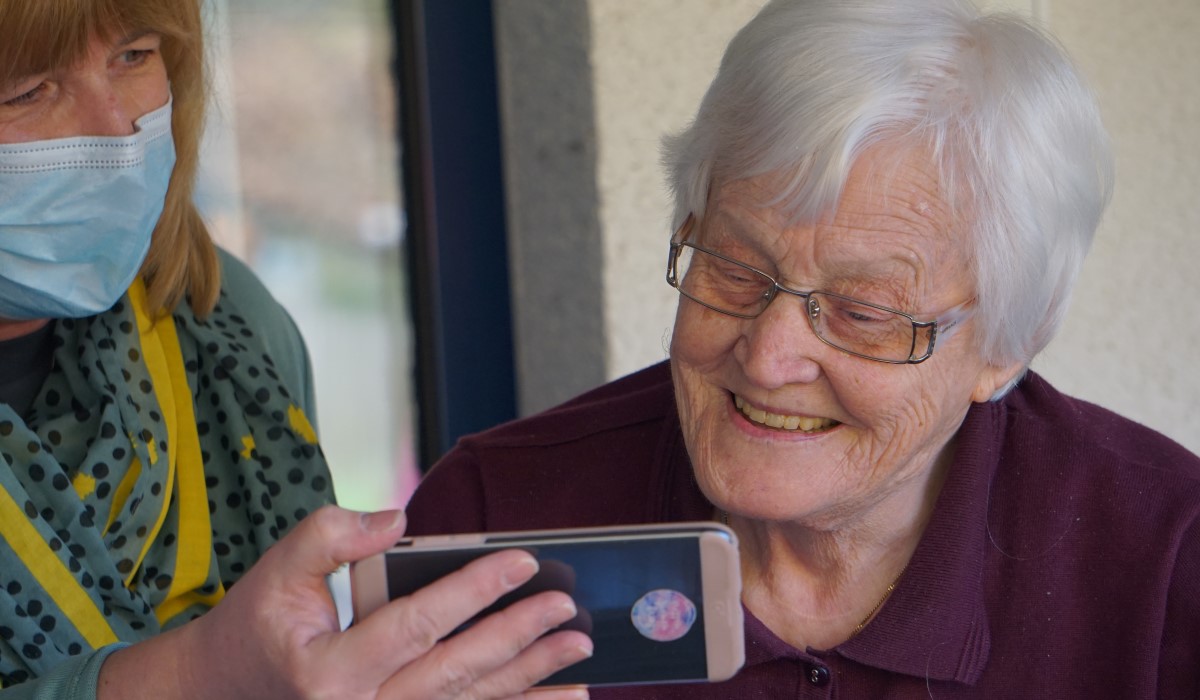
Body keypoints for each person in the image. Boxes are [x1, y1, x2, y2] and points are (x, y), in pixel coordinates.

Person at [404, 0, 1200, 696]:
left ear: (1004, 348)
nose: (766, 356)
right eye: (733, 267)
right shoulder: (499, 517)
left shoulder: (1167, 562)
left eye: (861, 310)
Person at [0, 1, 592, 698]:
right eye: (27, 91)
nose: (118, 129)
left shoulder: (221, 325)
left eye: (134, 56)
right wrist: (198, 674)